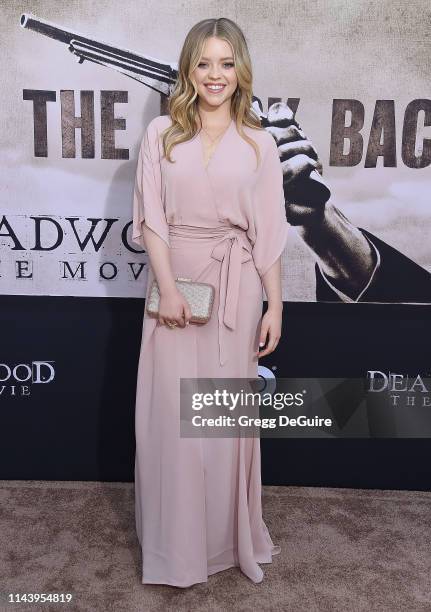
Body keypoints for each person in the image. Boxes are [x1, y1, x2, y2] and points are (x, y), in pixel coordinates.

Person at [132, 18, 289, 587]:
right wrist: (168, 287)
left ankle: (224, 544)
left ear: (240, 69)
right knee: (170, 420)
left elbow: (269, 232)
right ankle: (176, 547)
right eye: (204, 63)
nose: (215, 75)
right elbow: (151, 218)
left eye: (226, 63)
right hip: (176, 281)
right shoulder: (161, 134)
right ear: (188, 70)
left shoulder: (260, 142)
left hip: (238, 287)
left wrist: (275, 305)